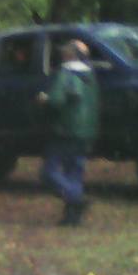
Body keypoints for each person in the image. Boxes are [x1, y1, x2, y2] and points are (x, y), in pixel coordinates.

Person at [37, 40, 100, 227]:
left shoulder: (65, 74)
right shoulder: (90, 76)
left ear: (69, 55)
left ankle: (76, 199)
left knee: (49, 172)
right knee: (75, 172)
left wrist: (44, 99)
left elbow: (57, 100)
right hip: (87, 131)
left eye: (64, 52)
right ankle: (72, 217)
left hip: (67, 129)